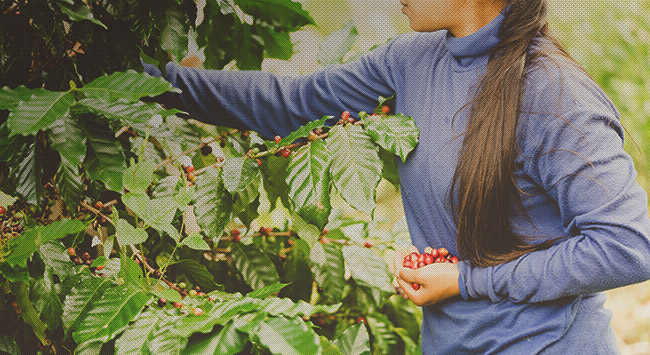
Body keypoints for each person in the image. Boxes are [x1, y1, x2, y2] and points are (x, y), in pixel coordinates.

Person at [143, 0, 650, 353]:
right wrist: (142, 80)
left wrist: (469, 281)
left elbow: (629, 245)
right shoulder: (410, 62)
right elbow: (289, 105)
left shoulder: (554, 94)